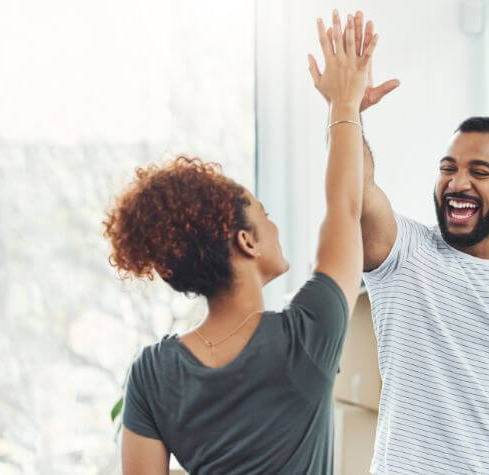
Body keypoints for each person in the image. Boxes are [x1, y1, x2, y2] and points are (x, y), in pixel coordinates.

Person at [308, 11, 489, 474]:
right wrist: (346, 110)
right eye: (448, 168)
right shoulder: (403, 253)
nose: (457, 182)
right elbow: (357, 192)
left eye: (479, 172)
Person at [105, 10, 375, 474]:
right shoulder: (308, 334)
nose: (274, 225)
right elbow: (346, 207)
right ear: (246, 242)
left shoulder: (151, 372)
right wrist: (343, 105)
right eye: (264, 215)